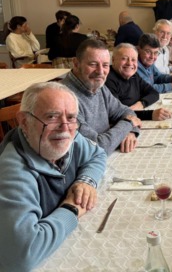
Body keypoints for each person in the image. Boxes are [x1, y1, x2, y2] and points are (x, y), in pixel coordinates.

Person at [0, 82, 106, 271]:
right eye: (51, 117)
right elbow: (21, 257)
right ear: (24, 121)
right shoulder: (13, 170)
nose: (64, 128)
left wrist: (86, 181)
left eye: (71, 117)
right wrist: (71, 209)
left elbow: (97, 154)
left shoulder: (70, 138)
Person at [62, 39, 141, 155]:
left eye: (105, 65)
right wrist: (128, 124)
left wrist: (131, 132)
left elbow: (127, 112)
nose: (100, 71)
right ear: (76, 64)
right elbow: (97, 147)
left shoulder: (99, 87)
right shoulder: (64, 99)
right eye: (93, 64)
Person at [105, 43, 171, 121]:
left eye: (133, 60)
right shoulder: (108, 80)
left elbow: (154, 93)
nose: (129, 63)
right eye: (124, 59)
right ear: (113, 60)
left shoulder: (134, 76)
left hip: (135, 119)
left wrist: (141, 104)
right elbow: (115, 113)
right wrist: (150, 115)